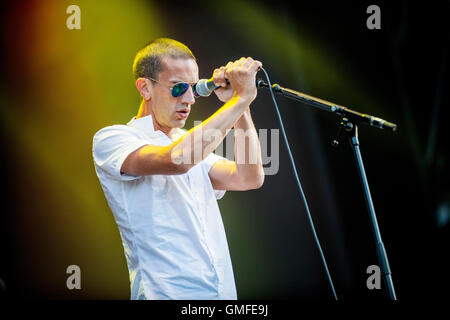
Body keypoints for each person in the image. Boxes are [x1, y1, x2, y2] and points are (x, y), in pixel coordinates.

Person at [92, 38, 264, 300]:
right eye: (178, 88)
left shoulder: (189, 144)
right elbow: (177, 161)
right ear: (145, 87)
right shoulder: (114, 139)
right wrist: (239, 100)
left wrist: (241, 107)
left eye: (193, 88)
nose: (189, 99)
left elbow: (248, 177)